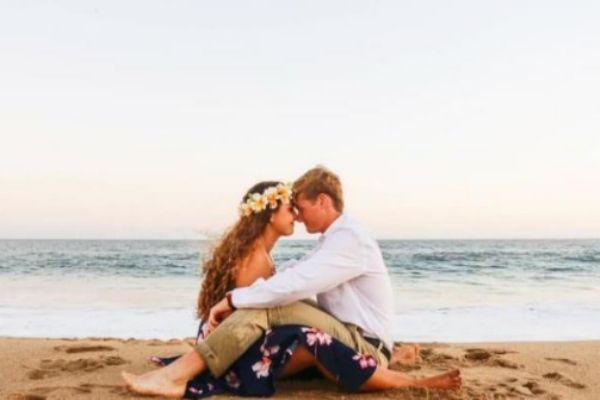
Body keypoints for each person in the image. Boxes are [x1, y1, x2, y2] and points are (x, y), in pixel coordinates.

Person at [122, 167, 461, 397]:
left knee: (275, 306)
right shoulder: (335, 239)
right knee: (273, 303)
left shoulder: (349, 239)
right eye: (292, 208)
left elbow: (297, 282)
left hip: (364, 344)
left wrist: (233, 299)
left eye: (301, 206)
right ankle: (181, 371)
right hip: (357, 335)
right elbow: (296, 271)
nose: (297, 215)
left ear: (322, 201)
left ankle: (177, 376)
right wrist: (241, 296)